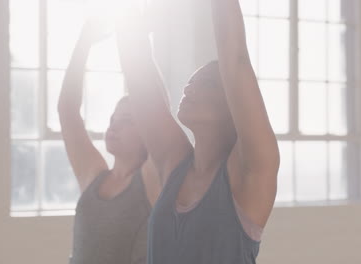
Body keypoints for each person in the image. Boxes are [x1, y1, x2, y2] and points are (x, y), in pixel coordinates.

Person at [116, 0, 280, 262]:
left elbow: (236, 59)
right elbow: (139, 79)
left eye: (206, 83)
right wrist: (131, 26)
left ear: (234, 104)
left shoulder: (251, 172)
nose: (190, 87)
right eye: (191, 80)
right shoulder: (175, 164)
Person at [57, 19, 161, 264]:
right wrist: (84, 41)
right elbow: (66, 110)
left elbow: (157, 111)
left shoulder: (150, 180)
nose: (114, 125)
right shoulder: (94, 177)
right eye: (113, 117)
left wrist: (137, 45)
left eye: (126, 120)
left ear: (146, 130)